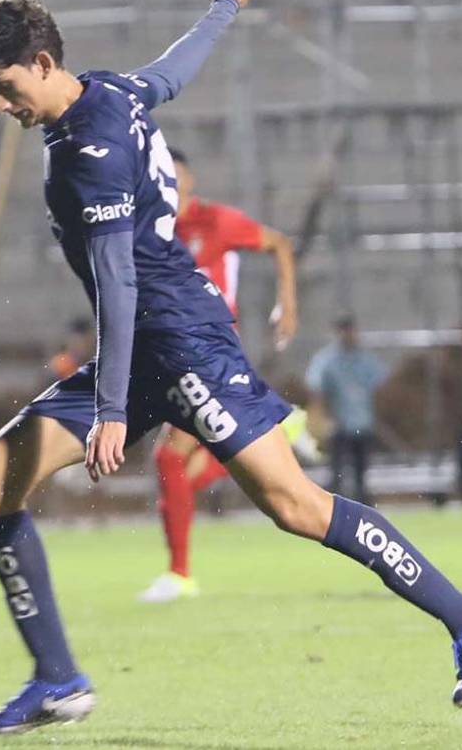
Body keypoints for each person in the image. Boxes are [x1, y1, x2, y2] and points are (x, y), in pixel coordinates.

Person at [0, 0, 462, 737]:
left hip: (182, 345)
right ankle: (56, 678)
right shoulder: (110, 91)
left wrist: (111, 412)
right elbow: (173, 74)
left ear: (44, 63)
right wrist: (224, 7)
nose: (3, 107)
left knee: (297, 507)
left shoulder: (91, 154)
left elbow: (118, 283)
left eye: (7, 87)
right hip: (141, 347)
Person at [139, 145, 299, 603]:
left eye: (176, 174)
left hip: (210, 352)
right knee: (181, 466)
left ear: (187, 179)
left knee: (171, 459)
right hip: (171, 351)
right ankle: (277, 429)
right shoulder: (152, 228)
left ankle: (179, 573)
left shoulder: (215, 222)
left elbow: (278, 243)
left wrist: (286, 303)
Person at [306, 315, 389, 506]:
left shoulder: (365, 359)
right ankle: (333, 511)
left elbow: (380, 386)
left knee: (361, 473)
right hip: (338, 425)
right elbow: (316, 389)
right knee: (337, 473)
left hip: (362, 423)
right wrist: (322, 417)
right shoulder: (327, 360)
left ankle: (364, 509)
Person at [49, 317, 93, 382]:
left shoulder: (97, 361)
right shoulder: (61, 364)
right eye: (76, 342)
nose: (81, 346)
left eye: (86, 342)